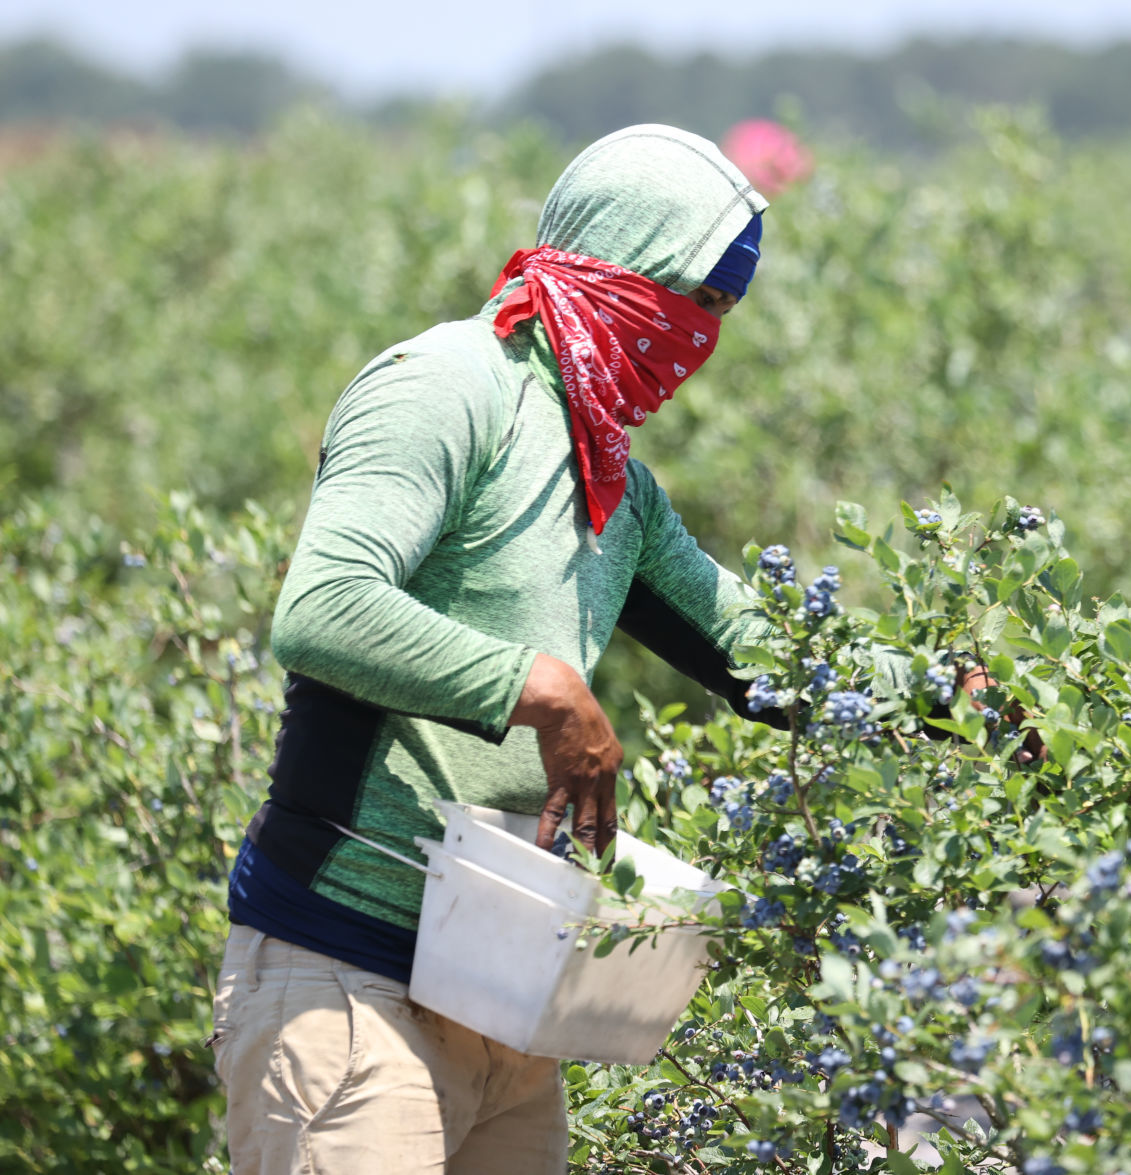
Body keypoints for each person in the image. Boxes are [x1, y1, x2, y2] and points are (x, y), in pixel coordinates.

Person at [209, 124, 776, 1175]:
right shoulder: (445, 385)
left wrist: (945, 685)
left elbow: (758, 650)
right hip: (347, 982)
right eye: (699, 299)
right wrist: (541, 689)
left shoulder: (611, 474)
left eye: (724, 313)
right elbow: (323, 606)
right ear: (625, 267)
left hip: (501, 992)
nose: (704, 336)